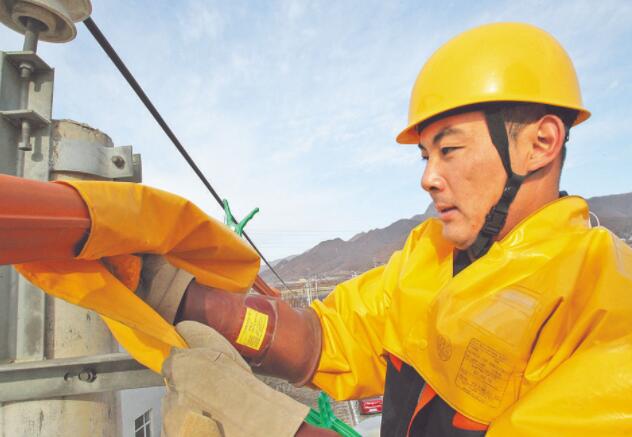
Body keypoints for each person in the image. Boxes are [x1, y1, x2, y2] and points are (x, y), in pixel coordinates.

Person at [9, 21, 632, 436]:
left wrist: (270, 424)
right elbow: (325, 339)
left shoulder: (605, 318)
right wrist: (171, 290)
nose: (428, 178)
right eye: (425, 156)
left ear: (540, 143)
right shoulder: (429, 263)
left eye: (450, 149)